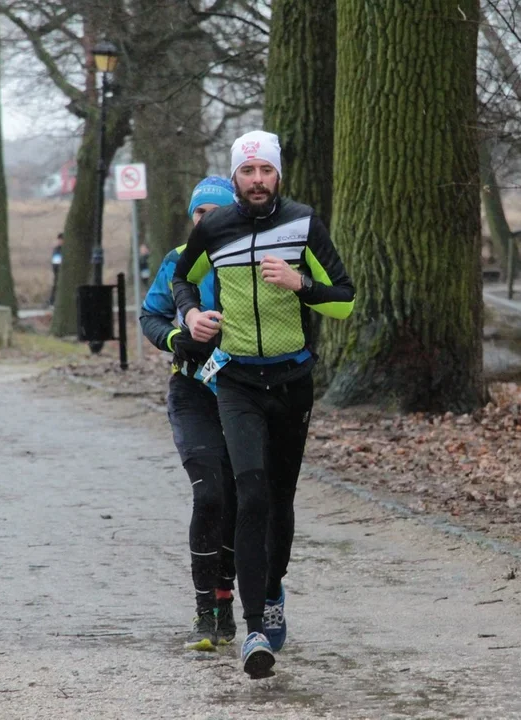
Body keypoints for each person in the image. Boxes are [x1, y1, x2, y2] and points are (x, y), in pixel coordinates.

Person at [172, 130, 355, 678]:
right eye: (247, 171)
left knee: (279, 497)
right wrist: (189, 317)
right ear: (234, 178)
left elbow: (344, 300)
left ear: (278, 176)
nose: (257, 180)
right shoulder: (214, 228)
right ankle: (255, 628)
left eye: (265, 171)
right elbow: (183, 277)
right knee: (248, 493)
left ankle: (272, 587)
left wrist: (301, 283)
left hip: (292, 380)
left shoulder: (302, 223)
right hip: (237, 382)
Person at [139, 176, 239, 651]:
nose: (209, 221)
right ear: (192, 217)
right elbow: (150, 316)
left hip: (244, 394)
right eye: (201, 214)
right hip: (192, 392)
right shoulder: (177, 262)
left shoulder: (249, 259)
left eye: (218, 212)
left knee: (240, 500)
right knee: (210, 493)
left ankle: (226, 601)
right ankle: (204, 613)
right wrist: (177, 338)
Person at [49, 233, 64, 306]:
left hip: (64, 273)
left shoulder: (67, 250)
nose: (60, 241)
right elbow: (55, 263)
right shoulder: (57, 250)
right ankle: (52, 302)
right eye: (59, 240)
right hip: (58, 272)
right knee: (56, 286)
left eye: (61, 240)